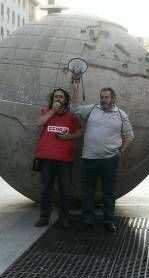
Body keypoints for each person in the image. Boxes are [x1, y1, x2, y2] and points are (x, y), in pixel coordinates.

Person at [70, 82, 134, 232]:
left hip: (110, 160)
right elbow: (75, 109)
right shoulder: (92, 109)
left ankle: (108, 221)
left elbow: (129, 136)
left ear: (113, 99)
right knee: (87, 191)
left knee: (109, 192)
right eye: (102, 97)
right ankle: (87, 219)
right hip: (89, 159)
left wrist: (121, 152)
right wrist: (76, 91)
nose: (103, 100)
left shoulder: (120, 114)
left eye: (106, 97)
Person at [34, 88, 83, 228]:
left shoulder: (71, 116)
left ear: (65, 100)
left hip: (65, 159)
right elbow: (39, 123)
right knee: (46, 190)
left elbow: (80, 132)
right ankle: (44, 218)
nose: (58, 99)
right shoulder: (46, 111)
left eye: (61, 97)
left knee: (65, 191)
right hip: (47, 159)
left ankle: (64, 219)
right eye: (56, 96)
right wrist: (53, 111)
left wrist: (69, 137)